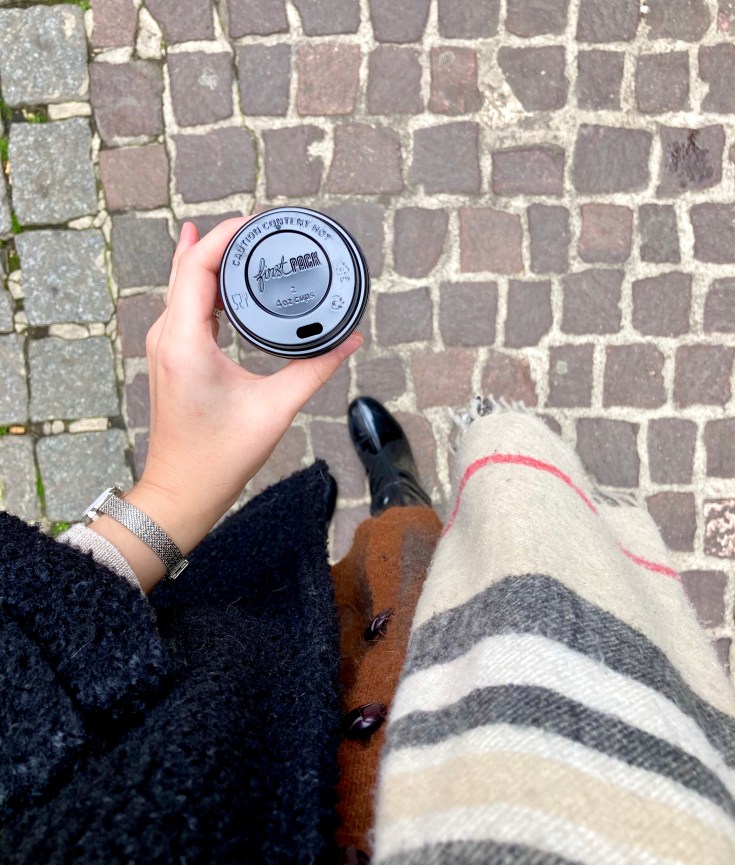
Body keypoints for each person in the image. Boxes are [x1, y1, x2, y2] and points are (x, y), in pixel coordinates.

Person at [2, 218, 734, 865]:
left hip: (269, 658)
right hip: (468, 716)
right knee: (427, 558)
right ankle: (402, 494)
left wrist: (170, 498)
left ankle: (398, 498)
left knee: (385, 559)